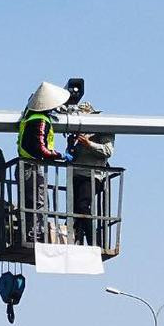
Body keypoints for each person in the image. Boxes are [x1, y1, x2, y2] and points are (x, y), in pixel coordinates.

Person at [17, 82, 71, 242]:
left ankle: (31, 233)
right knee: (38, 202)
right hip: (32, 166)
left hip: (25, 165)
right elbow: (40, 148)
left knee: (29, 202)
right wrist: (60, 155)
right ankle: (37, 234)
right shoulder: (40, 121)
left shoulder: (29, 118)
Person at [65, 101, 115, 246]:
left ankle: (94, 242)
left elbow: (108, 151)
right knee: (75, 211)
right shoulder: (78, 130)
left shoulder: (102, 129)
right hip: (76, 175)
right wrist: (71, 145)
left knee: (82, 207)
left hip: (92, 176)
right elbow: (73, 154)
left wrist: (89, 144)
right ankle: (77, 241)